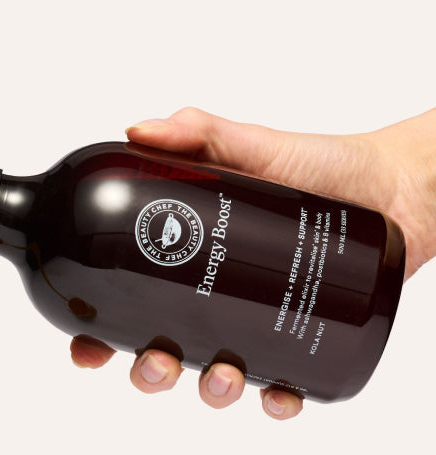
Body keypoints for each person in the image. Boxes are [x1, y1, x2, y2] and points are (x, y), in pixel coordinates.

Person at [71, 107, 436, 419]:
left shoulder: (88, 175)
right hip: (326, 339)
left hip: (343, 236)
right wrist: (408, 189)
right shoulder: (53, 280)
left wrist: (406, 184)